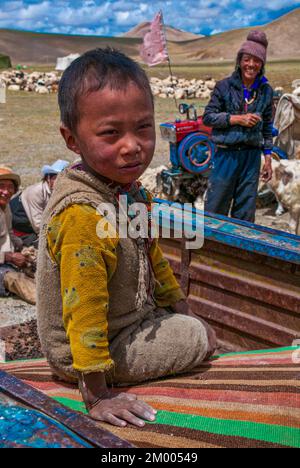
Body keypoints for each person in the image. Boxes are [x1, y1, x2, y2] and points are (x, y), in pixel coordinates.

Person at [37, 48, 216, 429]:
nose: (132, 145)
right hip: (86, 354)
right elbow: (84, 305)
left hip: (124, 324)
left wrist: (182, 307)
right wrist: (98, 394)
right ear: (72, 139)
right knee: (197, 338)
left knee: (191, 324)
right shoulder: (82, 214)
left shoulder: (129, 193)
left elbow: (154, 260)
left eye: (144, 127)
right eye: (111, 133)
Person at [203, 30, 273, 222]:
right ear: (240, 61)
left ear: (262, 64)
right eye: (247, 59)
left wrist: (267, 158)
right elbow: (208, 117)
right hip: (226, 155)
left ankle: (237, 252)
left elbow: (267, 127)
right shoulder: (224, 87)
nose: (251, 64)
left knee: (245, 212)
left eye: (257, 60)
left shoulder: (266, 91)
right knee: (215, 208)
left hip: (251, 158)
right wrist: (236, 119)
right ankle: (209, 250)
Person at [10, 160, 69, 247]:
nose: (60, 182)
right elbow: (37, 224)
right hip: (19, 223)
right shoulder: (36, 191)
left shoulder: (60, 191)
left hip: (36, 223)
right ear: (48, 178)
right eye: (56, 178)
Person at [0, 167, 35, 304]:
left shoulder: (6, 207)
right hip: (4, 263)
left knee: (35, 267)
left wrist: (24, 248)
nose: (6, 192)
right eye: (1, 186)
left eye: (10, 187)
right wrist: (10, 257)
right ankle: (51, 304)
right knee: (14, 279)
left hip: (6, 260)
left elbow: (9, 233)